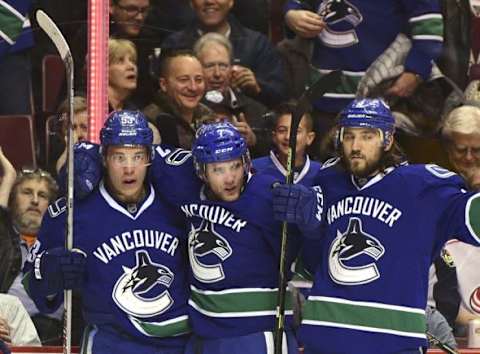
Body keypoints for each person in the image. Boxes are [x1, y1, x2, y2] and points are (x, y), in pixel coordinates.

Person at [69, 121, 303, 353]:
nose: (230, 178)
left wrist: (307, 218)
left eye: (234, 166)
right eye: (218, 169)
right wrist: (85, 153)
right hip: (205, 335)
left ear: (246, 162)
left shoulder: (265, 193)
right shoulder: (183, 183)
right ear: (201, 170)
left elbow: (297, 255)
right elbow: (136, 152)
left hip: (257, 333)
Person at [272, 98, 480, 354]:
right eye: (349, 137)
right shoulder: (327, 181)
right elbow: (313, 263)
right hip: (325, 338)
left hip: (391, 342)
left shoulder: (423, 186)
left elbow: (472, 216)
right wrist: (308, 227)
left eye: (367, 136)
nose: (356, 147)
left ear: (388, 140)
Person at [25, 110, 191, 354]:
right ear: (103, 158)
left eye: (137, 157)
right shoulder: (71, 213)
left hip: (178, 342)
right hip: (111, 343)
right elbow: (33, 284)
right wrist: (49, 274)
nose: (129, 168)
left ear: (149, 158)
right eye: (119, 157)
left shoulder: (175, 202)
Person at [283, 0, 444, 138]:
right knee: (328, 170)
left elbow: (429, 25)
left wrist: (415, 72)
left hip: (381, 101)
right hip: (321, 101)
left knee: (379, 170)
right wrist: (292, 15)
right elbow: (296, 4)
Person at [162, 0, 287, 107]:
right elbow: (161, 95)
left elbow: (281, 98)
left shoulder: (257, 45)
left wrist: (258, 88)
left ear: (231, 1)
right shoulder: (174, 45)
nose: (209, 1)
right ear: (191, 2)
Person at [0, 150, 61, 345]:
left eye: (42, 195)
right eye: (27, 192)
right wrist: (9, 176)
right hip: (8, 333)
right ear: (12, 199)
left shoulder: (63, 244)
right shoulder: (4, 241)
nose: (35, 200)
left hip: (57, 335)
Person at [194, 32, 270, 157]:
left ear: (232, 68)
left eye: (223, 66)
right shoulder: (188, 108)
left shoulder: (256, 110)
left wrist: (253, 141)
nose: (217, 73)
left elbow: (272, 154)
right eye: (209, 66)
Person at [143, 50, 211, 149]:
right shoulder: (147, 124)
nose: (193, 87)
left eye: (199, 80)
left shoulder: (209, 117)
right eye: (183, 80)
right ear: (164, 84)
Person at [253, 102, 321, 184]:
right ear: (274, 136)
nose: (288, 137)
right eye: (282, 130)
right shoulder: (255, 169)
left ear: (309, 138)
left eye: (296, 131)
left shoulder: (321, 173)